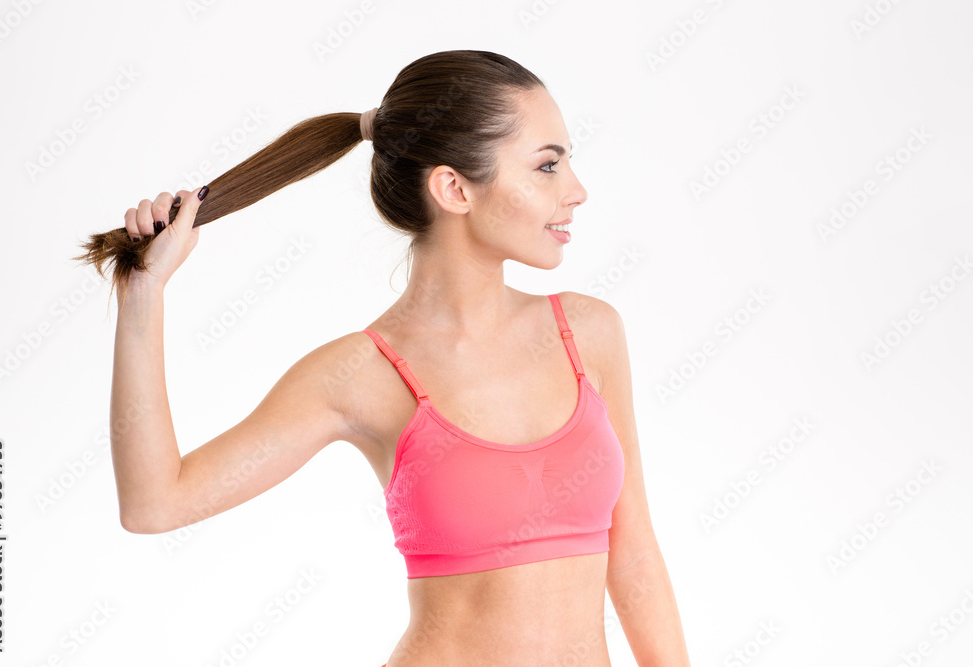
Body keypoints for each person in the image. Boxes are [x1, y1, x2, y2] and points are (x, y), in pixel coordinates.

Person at [80, 50, 690, 666]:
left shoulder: (588, 333)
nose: (577, 191)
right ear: (454, 188)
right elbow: (155, 504)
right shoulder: (358, 376)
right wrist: (143, 294)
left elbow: (633, 550)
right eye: (547, 166)